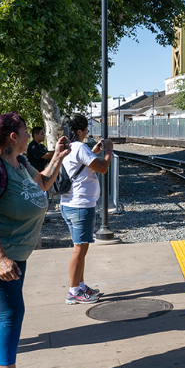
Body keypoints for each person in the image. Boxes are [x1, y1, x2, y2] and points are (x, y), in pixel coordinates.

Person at [0, 113, 70, 368]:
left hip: (16, 254)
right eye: (26, 131)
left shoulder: (21, 164)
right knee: (11, 314)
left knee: (1, 313)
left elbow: (41, 184)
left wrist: (58, 158)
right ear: (13, 137)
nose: (30, 135)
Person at [60, 114, 113, 304]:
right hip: (80, 206)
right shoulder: (79, 147)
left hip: (70, 204)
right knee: (79, 249)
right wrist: (108, 151)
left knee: (81, 248)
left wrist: (95, 150)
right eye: (86, 130)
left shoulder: (68, 147)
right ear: (79, 131)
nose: (86, 134)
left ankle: (80, 286)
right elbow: (102, 168)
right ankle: (74, 291)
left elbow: (82, 163)